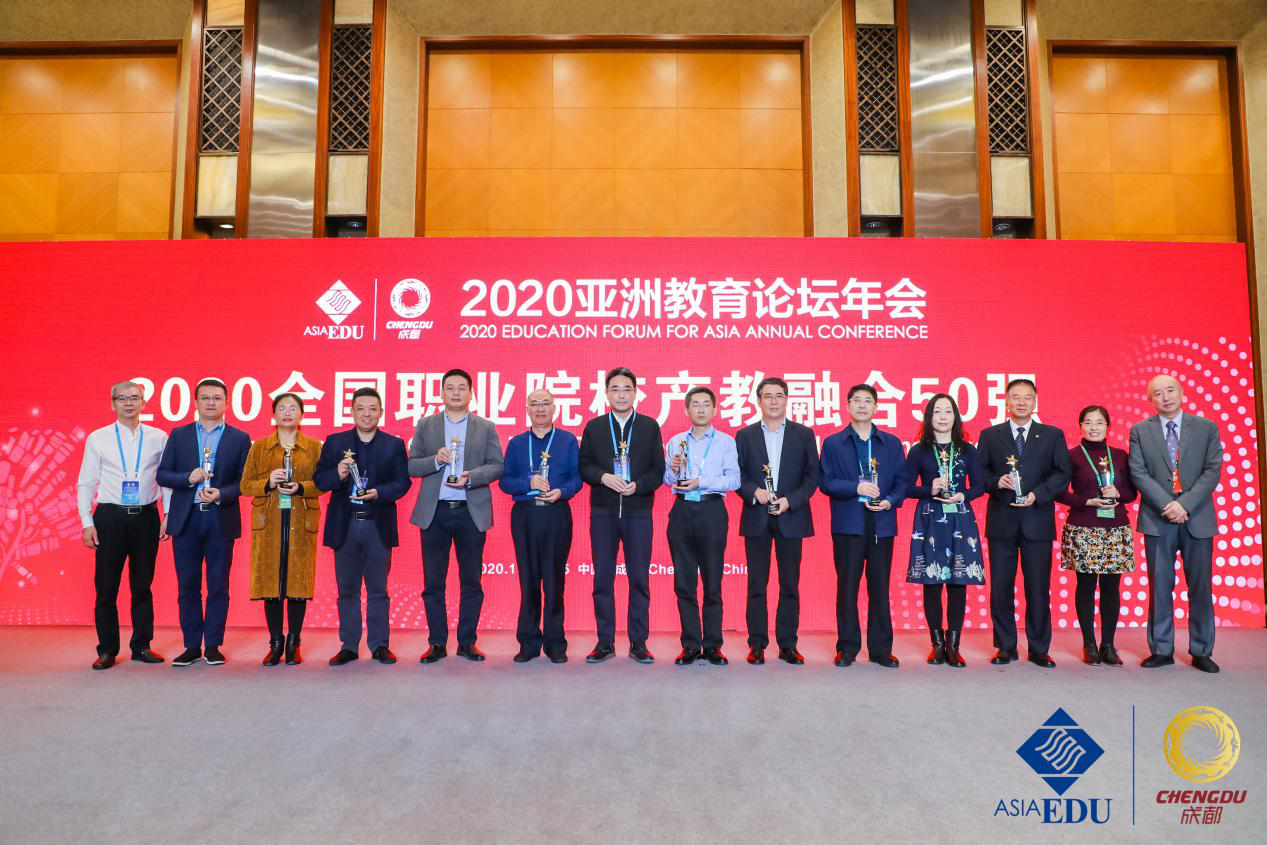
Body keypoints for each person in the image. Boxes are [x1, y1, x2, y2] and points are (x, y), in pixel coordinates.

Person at [1128, 374, 1223, 673]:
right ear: (1150, 400)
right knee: (1160, 586)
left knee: (1200, 587)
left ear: (1182, 393)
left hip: (1197, 517)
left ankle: (1202, 650)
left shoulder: (1206, 427)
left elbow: (1212, 470)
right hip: (1158, 518)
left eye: (1170, 390)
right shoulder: (1140, 430)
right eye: (1158, 393)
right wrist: (1168, 505)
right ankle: (1161, 649)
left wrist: (1185, 504)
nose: (1165, 397)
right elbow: (1138, 472)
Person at [408, 368, 504, 663]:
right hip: (435, 513)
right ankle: (437, 642)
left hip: (470, 513)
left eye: (462, 388)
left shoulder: (485, 427)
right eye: (450, 388)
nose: (456, 393)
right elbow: (412, 466)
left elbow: (497, 466)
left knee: (471, 581)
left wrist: (471, 477)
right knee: (433, 583)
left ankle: (467, 642)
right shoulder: (426, 425)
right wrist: (435, 460)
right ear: (441, 393)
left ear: (471, 393)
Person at [76, 381, 171, 670]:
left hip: (146, 517)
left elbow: (165, 480)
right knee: (106, 588)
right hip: (110, 518)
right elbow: (86, 483)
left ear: (144, 402)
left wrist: (168, 514)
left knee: (142, 586)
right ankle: (107, 649)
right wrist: (87, 522)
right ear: (112, 404)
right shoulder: (98, 438)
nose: (128, 403)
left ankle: (142, 645)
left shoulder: (159, 437)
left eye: (134, 398)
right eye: (122, 398)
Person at [156, 378, 251, 667]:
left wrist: (222, 493)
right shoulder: (179, 434)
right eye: (205, 398)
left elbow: (244, 482)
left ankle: (212, 645)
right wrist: (188, 478)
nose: (211, 402)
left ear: (227, 403)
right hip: (187, 519)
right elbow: (162, 475)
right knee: (187, 585)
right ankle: (190, 646)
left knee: (218, 585)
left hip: (220, 518)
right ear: (196, 402)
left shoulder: (240, 438)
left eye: (217, 398)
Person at [976, 378, 1070, 668]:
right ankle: (1005, 646)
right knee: (1001, 587)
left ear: (1035, 402)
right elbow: (979, 474)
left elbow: (1062, 473)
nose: (1021, 402)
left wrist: (1037, 494)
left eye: (1027, 397)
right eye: (1015, 397)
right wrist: (996, 481)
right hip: (1002, 522)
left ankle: (1039, 648)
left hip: (1037, 521)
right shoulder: (990, 435)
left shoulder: (1052, 435)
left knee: (1038, 588)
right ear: (1006, 402)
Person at [314, 387, 412, 666]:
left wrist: (380, 493)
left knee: (378, 589)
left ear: (381, 412)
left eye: (372, 409)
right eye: (361, 408)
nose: (366, 414)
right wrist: (338, 474)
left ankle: (380, 645)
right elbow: (320, 480)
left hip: (377, 525)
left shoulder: (394, 444)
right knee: (347, 590)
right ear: (352, 411)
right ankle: (349, 645)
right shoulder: (335, 442)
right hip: (345, 527)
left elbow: (402, 483)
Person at [578, 367, 666, 664]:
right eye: (615, 389)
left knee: (639, 578)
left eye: (627, 389)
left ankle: (638, 643)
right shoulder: (594, 427)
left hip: (638, 512)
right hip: (603, 513)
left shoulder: (649, 426)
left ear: (635, 392)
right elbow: (584, 466)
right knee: (602, 579)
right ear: (606, 394)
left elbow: (658, 470)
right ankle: (604, 642)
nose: (621, 395)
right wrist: (603, 477)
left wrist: (638, 485)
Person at [820, 384, 907, 668]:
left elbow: (903, 481)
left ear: (876, 407)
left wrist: (890, 501)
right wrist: (856, 487)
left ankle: (881, 649)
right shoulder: (834, 443)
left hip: (882, 522)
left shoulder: (891, 443)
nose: (862, 405)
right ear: (847, 406)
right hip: (849, 523)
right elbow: (826, 482)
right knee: (847, 587)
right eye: (856, 400)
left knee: (879, 587)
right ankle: (847, 648)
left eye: (867, 400)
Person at [735, 376, 820, 665]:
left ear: (786, 400)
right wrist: (754, 492)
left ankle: (788, 645)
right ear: (758, 401)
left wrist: (790, 501)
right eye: (768, 396)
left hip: (791, 516)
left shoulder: (803, 434)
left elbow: (812, 476)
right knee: (756, 585)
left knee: (789, 585)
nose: (773, 401)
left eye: (779, 396)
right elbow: (737, 474)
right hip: (757, 516)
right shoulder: (744, 435)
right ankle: (757, 644)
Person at [240, 393, 325, 666]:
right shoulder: (260, 447)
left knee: (298, 582)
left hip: (301, 520)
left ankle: (294, 642)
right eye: (282, 408)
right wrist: (267, 482)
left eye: (293, 408)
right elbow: (245, 485)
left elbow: (323, 484)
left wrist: (301, 487)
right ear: (274, 414)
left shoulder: (314, 447)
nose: (287, 412)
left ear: (302, 414)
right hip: (269, 521)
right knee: (271, 582)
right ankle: (275, 642)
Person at [902, 394, 986, 668]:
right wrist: (929, 489)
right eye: (937, 411)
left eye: (948, 411)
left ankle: (954, 646)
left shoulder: (967, 449)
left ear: (955, 416)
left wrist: (963, 495)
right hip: (930, 518)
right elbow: (906, 487)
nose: (942, 417)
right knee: (932, 581)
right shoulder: (919, 451)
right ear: (929, 417)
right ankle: (936, 644)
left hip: (960, 517)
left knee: (958, 581)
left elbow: (980, 485)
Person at [498, 389, 582, 663]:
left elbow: (577, 479)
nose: (540, 408)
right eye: (535, 404)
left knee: (555, 581)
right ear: (527, 409)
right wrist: (528, 483)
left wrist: (562, 492)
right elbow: (504, 481)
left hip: (557, 514)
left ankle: (555, 643)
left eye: (546, 403)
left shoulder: (568, 440)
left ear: (555, 408)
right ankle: (529, 642)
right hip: (525, 515)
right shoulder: (517, 443)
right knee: (529, 580)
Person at [662, 386, 740, 666]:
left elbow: (734, 480)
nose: (701, 409)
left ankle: (713, 645)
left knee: (712, 583)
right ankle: (691, 645)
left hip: (711, 510)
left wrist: (702, 482)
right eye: (695, 404)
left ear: (715, 409)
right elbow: (667, 480)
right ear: (686, 410)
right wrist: (673, 469)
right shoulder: (676, 442)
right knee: (684, 583)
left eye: (706, 404)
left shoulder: (726, 442)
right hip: (681, 511)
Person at [1056, 405, 1138, 667]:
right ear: (1080, 426)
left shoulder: (1120, 455)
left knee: (1112, 588)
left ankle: (1108, 645)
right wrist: (1086, 501)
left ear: (1108, 427)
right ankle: (1089, 643)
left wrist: (1118, 493)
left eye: (1099, 422)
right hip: (1084, 527)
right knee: (1086, 586)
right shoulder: (1071, 456)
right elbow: (1059, 492)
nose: (1094, 427)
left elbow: (1132, 493)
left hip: (1115, 528)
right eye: (1088, 422)